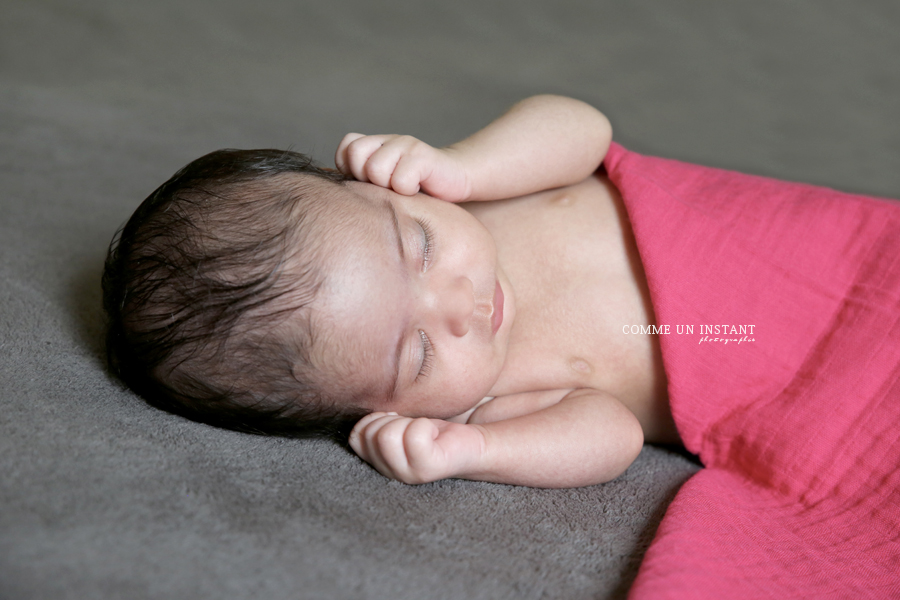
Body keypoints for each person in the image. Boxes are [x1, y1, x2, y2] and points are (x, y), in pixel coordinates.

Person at [102, 95, 686, 488]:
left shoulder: (469, 189)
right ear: (381, 412)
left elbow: (584, 128)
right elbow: (615, 436)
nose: (462, 306)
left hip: (750, 229)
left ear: (381, 188)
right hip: (749, 364)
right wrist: (474, 452)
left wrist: (463, 164)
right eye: (419, 354)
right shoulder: (482, 402)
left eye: (423, 249)